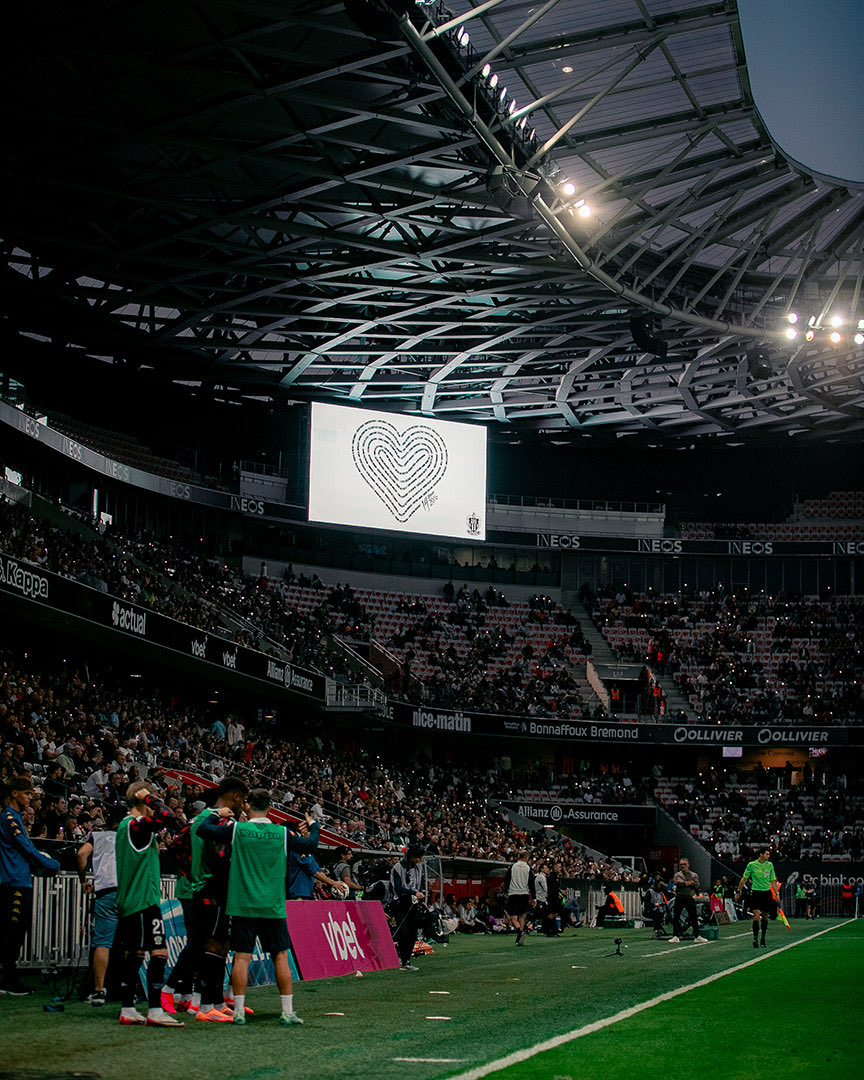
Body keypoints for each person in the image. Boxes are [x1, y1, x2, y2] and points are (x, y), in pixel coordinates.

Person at [199, 788, 319, 1025]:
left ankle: (239, 1011)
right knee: (281, 956)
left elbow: (203, 829)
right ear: (270, 808)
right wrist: (313, 825)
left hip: (243, 904)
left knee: (241, 957)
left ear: (246, 806)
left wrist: (216, 814)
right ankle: (287, 1011)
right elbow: (310, 846)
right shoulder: (282, 832)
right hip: (272, 906)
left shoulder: (238, 830)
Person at [163, 776, 249, 1022]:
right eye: (242, 800)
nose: (243, 805)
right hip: (202, 889)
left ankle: (206, 999)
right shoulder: (206, 820)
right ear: (234, 797)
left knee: (213, 945)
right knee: (204, 945)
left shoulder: (215, 819)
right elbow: (208, 858)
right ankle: (189, 999)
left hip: (210, 889)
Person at [114, 779, 184, 1026]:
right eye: (150, 797)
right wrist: (149, 798)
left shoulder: (126, 826)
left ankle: (128, 1008)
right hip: (144, 899)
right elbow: (166, 815)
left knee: (134, 952)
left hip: (131, 900)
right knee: (159, 951)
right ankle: (155, 1009)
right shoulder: (136, 825)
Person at [0, 776, 60, 995]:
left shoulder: (12, 816)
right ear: (14, 793)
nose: (29, 798)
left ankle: (8, 977)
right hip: (14, 880)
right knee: (14, 930)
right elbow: (24, 847)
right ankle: (8, 980)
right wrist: (50, 863)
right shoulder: (9, 817)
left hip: (17, 878)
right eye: (26, 793)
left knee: (13, 930)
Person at [77, 814, 120, 1006]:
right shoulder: (134, 836)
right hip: (129, 893)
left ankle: (99, 990)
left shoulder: (98, 837)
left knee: (103, 941)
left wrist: (83, 880)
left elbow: (81, 855)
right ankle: (129, 989)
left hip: (106, 892)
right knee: (129, 943)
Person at [389, 844, 428, 970]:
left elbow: (419, 884)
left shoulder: (418, 867)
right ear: (412, 856)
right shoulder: (397, 868)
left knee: (412, 933)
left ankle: (406, 960)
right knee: (403, 931)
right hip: (401, 902)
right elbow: (398, 887)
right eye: (418, 857)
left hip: (414, 902)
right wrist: (413, 892)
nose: (420, 860)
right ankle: (401, 957)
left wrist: (421, 898)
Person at [735, 848, 780, 949]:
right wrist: (738, 891)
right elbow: (744, 879)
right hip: (756, 893)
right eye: (767, 854)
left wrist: (777, 893)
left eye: (769, 854)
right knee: (756, 915)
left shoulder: (770, 865)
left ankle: (763, 938)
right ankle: (755, 938)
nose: (768, 856)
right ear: (761, 855)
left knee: (765, 916)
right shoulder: (752, 865)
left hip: (766, 893)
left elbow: (773, 881)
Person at [668, 858, 708, 944]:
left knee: (694, 917)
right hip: (680, 897)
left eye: (684, 864)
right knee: (676, 917)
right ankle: (676, 936)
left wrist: (686, 883)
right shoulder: (677, 875)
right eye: (681, 864)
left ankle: (697, 936)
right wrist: (690, 883)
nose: (683, 866)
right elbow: (680, 884)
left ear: (688, 865)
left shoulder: (694, 875)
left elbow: (697, 885)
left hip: (690, 897)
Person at [502, 850, 534, 945]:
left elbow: (507, 880)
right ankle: (520, 935)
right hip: (524, 894)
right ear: (526, 858)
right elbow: (531, 883)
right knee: (522, 916)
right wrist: (534, 897)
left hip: (513, 893)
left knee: (513, 917)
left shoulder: (513, 866)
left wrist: (507, 890)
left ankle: (519, 932)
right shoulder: (528, 868)